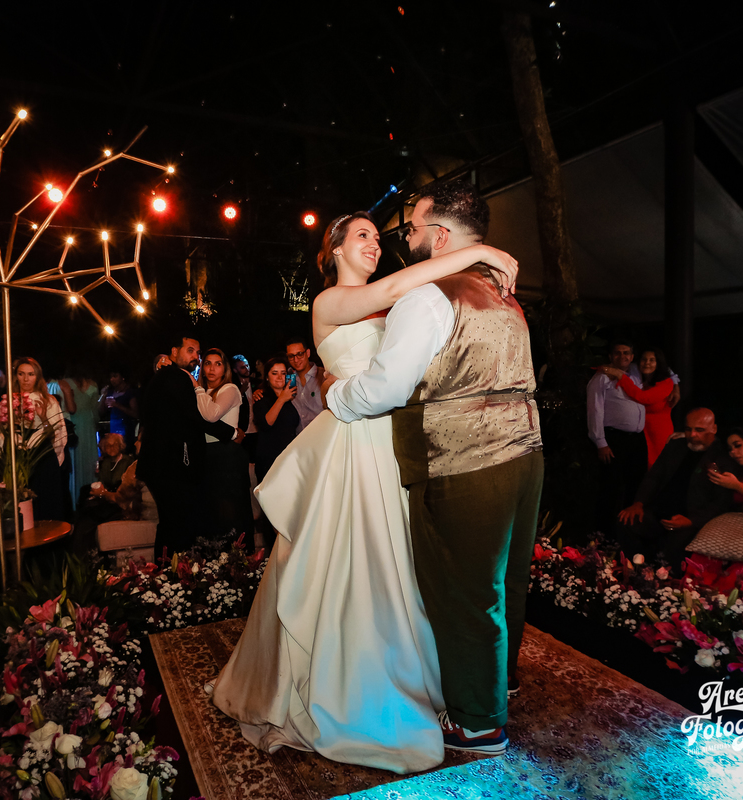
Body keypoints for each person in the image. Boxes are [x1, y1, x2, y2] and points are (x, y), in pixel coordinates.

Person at [211, 194, 519, 771]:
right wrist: (479, 252)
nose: (375, 243)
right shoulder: (331, 300)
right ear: (333, 251)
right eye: (362, 236)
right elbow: (392, 291)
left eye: (379, 237)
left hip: (394, 441)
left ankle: (411, 676)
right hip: (351, 444)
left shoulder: (394, 304)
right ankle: (342, 687)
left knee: (401, 562)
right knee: (350, 559)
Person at [137, 335, 241, 561]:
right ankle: (171, 577)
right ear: (174, 352)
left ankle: (166, 575)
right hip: (168, 466)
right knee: (176, 526)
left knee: (171, 523)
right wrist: (231, 432)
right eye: (190, 350)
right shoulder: (175, 377)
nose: (196, 356)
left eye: (197, 352)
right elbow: (195, 417)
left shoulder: (167, 376)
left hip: (160, 465)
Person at [616, 408, 737, 568]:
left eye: (699, 430)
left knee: (673, 550)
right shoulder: (676, 446)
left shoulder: (723, 458)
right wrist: (638, 503)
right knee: (626, 523)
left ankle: (662, 584)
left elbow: (721, 502)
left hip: (689, 518)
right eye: (688, 429)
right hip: (658, 512)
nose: (692, 435)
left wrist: (691, 521)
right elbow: (654, 477)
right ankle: (630, 575)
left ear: (713, 429)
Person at [587, 340, 649, 534]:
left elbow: (664, 369)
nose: (622, 357)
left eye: (626, 353)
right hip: (614, 440)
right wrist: (600, 442)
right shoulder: (602, 377)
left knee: (637, 488)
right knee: (611, 490)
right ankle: (604, 536)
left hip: (637, 440)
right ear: (611, 356)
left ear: (632, 356)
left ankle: (629, 534)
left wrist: (676, 383)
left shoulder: (638, 373)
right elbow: (594, 410)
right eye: (618, 353)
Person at [0, 358, 70, 523]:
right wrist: (11, 421)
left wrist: (43, 416)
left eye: (30, 374)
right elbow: (2, 431)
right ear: (15, 376)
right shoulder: (8, 399)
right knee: (21, 504)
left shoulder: (48, 400)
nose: (25, 379)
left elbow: (57, 434)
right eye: (21, 374)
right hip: (17, 456)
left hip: (42, 455)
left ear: (37, 377)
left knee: (46, 504)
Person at [195, 348, 253, 541]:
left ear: (225, 368)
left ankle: (238, 561)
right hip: (207, 454)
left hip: (227, 454)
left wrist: (197, 389)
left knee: (230, 510)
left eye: (218, 364)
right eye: (208, 363)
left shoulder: (230, 389)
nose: (212, 368)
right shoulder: (202, 392)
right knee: (212, 511)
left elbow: (211, 415)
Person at [596, 348, 678, 467]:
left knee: (658, 469)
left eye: (652, 360)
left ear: (658, 363)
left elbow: (643, 397)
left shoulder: (666, 383)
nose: (647, 363)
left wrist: (621, 376)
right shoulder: (638, 378)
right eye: (644, 359)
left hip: (658, 435)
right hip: (641, 435)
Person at [252, 357, 299, 553]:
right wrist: (281, 398)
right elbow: (265, 423)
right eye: (274, 373)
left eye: (282, 373)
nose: (279, 377)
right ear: (267, 377)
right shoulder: (262, 398)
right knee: (271, 510)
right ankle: (272, 557)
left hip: (289, 462)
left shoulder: (293, 396)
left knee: (290, 509)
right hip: (269, 461)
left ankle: (289, 553)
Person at [71, 432, 137, 553]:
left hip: (118, 501)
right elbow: (102, 481)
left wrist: (102, 493)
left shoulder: (128, 462)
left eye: (115, 445)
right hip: (105, 498)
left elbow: (124, 491)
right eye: (108, 445)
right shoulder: (105, 463)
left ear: (121, 446)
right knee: (84, 500)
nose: (111, 448)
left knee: (89, 518)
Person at [59, 367, 102, 510]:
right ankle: (91, 497)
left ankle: (74, 501)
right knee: (89, 461)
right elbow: (95, 411)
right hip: (88, 424)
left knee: (74, 461)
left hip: (74, 423)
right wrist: (95, 425)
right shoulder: (93, 384)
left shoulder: (64, 383)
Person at [284, 337, 324, 433]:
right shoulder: (289, 379)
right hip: (299, 439)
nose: (296, 359)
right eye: (291, 356)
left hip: (322, 435)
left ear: (308, 353)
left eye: (300, 354)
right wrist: (259, 392)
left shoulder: (322, 376)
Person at [99, 367, 139, 443]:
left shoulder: (129, 393)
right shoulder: (110, 392)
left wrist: (117, 405)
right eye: (110, 377)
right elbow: (101, 412)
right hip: (112, 428)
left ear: (122, 377)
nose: (112, 379)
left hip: (126, 429)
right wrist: (103, 397)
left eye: (115, 376)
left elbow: (135, 414)